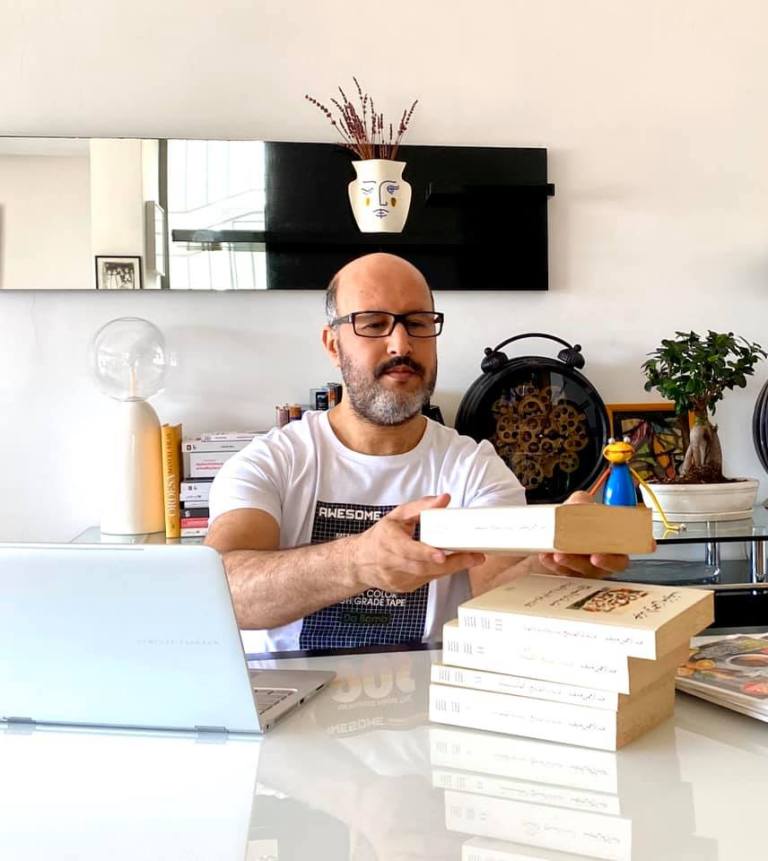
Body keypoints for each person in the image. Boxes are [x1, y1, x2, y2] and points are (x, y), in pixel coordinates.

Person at [205, 253, 628, 651]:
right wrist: (357, 561)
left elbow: (496, 589)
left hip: (435, 697)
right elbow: (219, 591)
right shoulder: (272, 461)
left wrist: (555, 563)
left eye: (418, 323)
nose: (401, 345)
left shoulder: (474, 468)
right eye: (374, 324)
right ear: (333, 345)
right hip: (294, 702)